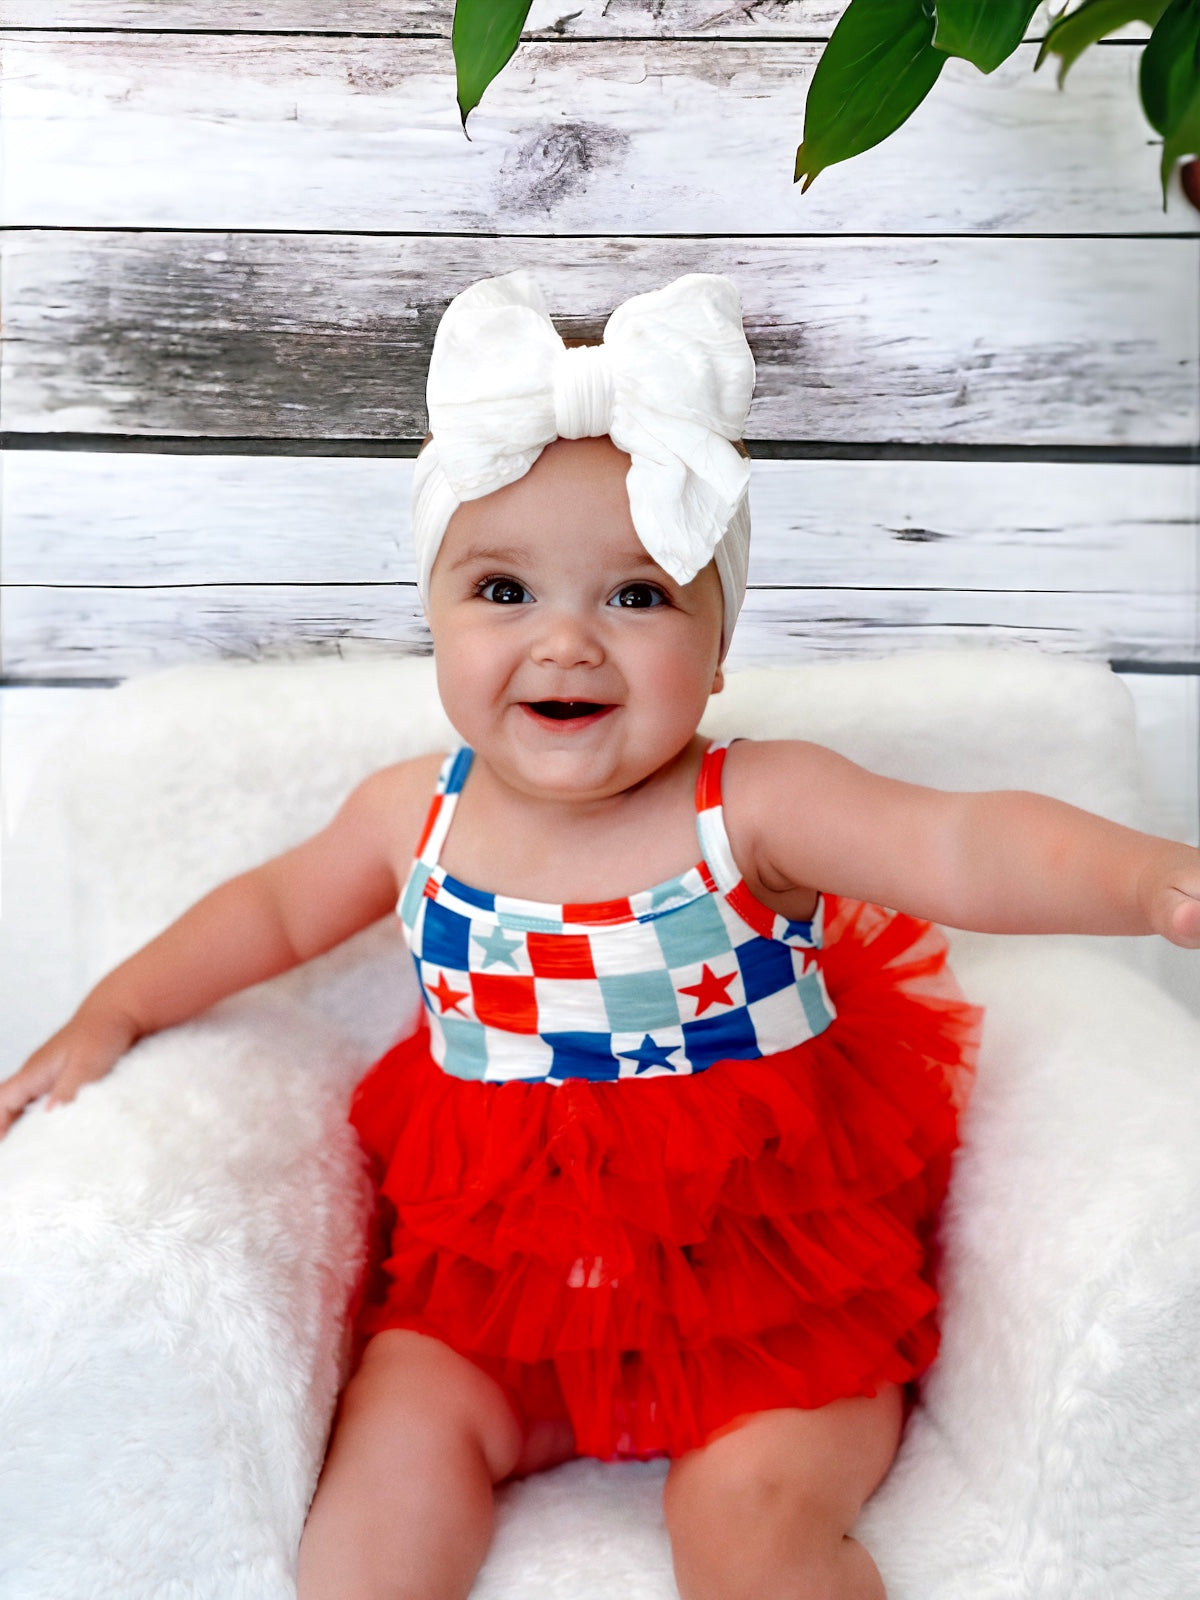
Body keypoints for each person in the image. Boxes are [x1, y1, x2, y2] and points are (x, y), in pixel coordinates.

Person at [2, 271, 1197, 1600]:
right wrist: (115, 1004)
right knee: (391, 1465)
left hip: (767, 1306)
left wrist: (1151, 879)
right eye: (503, 590)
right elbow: (273, 910)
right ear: (435, 619)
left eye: (636, 597)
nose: (566, 642)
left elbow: (961, 844)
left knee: (749, 1536)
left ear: (720, 641)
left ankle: (768, 1517)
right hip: (502, 1309)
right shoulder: (416, 817)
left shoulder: (752, 806)